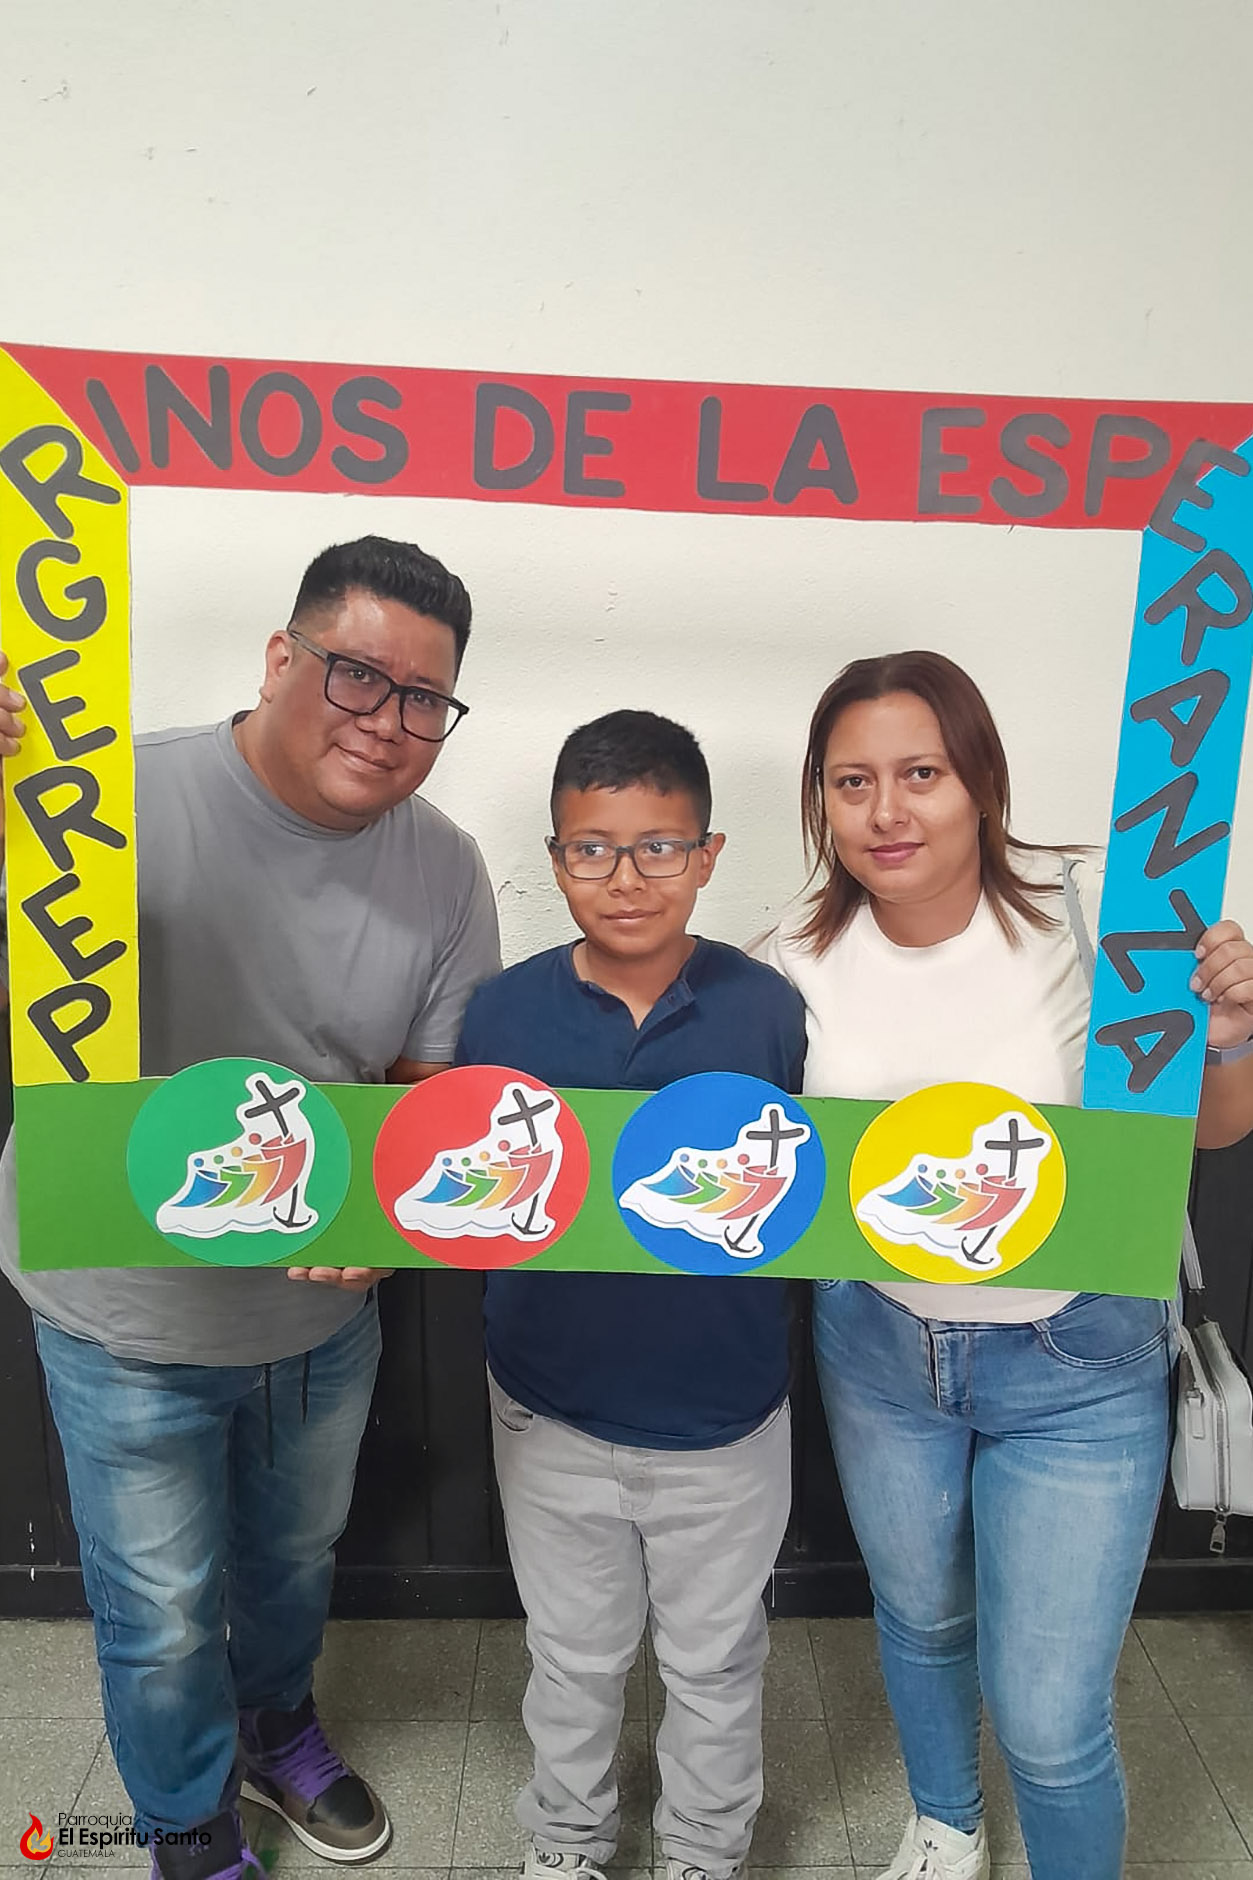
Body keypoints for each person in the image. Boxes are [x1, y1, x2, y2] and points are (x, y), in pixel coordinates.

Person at [0, 536, 501, 1880]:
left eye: (425, 699)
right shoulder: (94, 797)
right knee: (163, 1614)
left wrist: (391, 1210)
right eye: (356, 675)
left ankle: (278, 1727)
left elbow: (429, 1097)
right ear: (281, 657)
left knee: (293, 1562)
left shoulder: (446, 869)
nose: (387, 722)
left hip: (316, 1323)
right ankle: (187, 1826)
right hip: (121, 1313)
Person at [757, 651, 1253, 1880]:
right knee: (921, 1616)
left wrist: (1228, 1036)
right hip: (877, 1344)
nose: (886, 810)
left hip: (1076, 1359)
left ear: (980, 780)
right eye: (851, 781)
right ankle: (945, 1823)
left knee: (1048, 1716)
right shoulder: (789, 955)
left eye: (920, 773)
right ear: (820, 800)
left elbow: (1211, 1133)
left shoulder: (1099, 918)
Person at [453, 710, 806, 1880]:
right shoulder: (498, 1013)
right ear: (555, 857)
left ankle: (704, 1845)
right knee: (571, 1654)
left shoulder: (771, 1009)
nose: (624, 877)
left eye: (658, 846)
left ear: (706, 854)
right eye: (591, 848)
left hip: (725, 1413)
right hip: (549, 1404)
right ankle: (566, 1837)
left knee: (715, 1659)